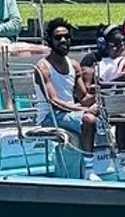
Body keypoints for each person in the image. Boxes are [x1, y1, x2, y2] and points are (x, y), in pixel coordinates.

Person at [33, 18, 101, 180]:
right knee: (89, 119)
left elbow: (83, 97)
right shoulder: (42, 67)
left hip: (69, 114)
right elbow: (54, 101)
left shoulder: (74, 65)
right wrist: (84, 110)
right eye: (58, 37)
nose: (63, 40)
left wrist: (101, 93)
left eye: (66, 37)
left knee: (109, 117)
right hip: (50, 117)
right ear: (49, 41)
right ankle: (89, 169)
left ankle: (120, 168)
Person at [79, 24, 125, 182]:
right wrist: (118, 79)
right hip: (98, 104)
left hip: (116, 104)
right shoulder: (96, 62)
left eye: (121, 44)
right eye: (114, 44)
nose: (118, 47)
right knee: (89, 119)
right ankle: (89, 168)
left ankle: (124, 168)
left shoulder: (124, 61)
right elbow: (93, 87)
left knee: (123, 118)